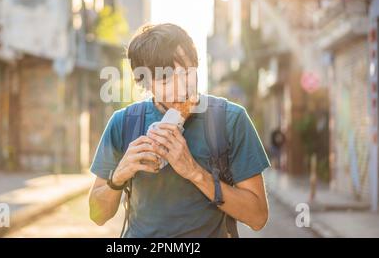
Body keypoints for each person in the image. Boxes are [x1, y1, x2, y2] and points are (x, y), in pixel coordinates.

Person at [88, 23, 270, 237]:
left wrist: (194, 172)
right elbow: (97, 215)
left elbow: (257, 218)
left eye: (187, 73)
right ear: (145, 83)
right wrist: (118, 177)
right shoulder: (124, 123)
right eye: (165, 79)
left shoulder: (230, 120)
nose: (182, 89)